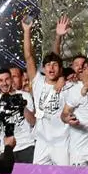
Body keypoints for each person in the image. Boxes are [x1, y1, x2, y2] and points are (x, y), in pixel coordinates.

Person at [22, 17, 70, 165]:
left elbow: (56, 56)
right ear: (44, 68)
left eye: (55, 65)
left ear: (60, 69)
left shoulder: (68, 86)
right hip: (42, 141)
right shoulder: (37, 82)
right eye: (48, 65)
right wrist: (27, 31)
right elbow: (29, 57)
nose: (51, 67)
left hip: (62, 142)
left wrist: (58, 37)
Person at [0, 68, 36, 163]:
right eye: (0, 80)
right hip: (6, 150)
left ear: (11, 79)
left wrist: (22, 106)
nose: (4, 83)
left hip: (27, 147)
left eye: (7, 79)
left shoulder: (25, 96)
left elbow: (33, 122)